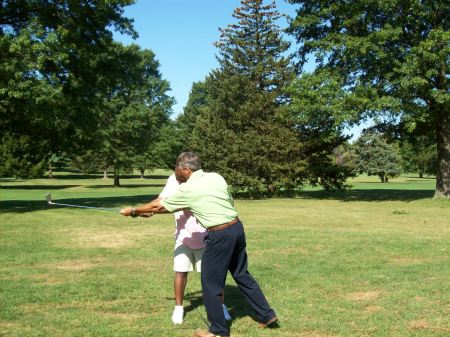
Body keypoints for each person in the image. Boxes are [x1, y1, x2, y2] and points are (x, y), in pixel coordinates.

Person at [121, 152, 277, 337]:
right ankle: (267, 315)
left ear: (186, 170)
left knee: (210, 284)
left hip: (219, 234)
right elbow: (228, 200)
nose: (176, 173)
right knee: (242, 274)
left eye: (178, 169)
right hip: (236, 228)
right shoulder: (216, 177)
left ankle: (217, 331)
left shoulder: (188, 189)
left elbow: (158, 207)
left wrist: (133, 210)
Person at [154, 172, 232, 324]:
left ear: (187, 169)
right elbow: (161, 200)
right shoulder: (173, 179)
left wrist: (143, 210)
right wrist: (144, 210)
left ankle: (220, 306)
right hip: (183, 236)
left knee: (212, 276)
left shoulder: (202, 181)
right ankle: (178, 308)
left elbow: (174, 205)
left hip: (205, 235)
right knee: (180, 271)